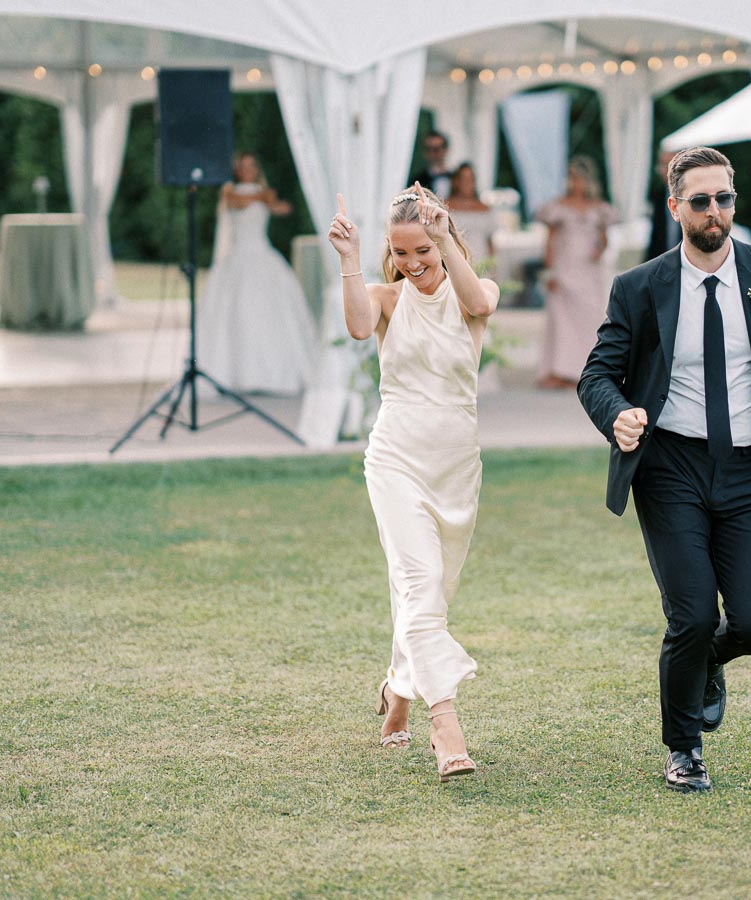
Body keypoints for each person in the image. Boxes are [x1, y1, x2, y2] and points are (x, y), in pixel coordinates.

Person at [578, 147, 751, 793]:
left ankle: (704, 665)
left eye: (724, 198)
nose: (714, 211)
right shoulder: (641, 287)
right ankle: (683, 748)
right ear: (675, 208)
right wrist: (618, 416)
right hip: (670, 467)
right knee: (689, 615)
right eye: (700, 201)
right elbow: (598, 374)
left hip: (748, 469)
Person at [326, 181, 499, 782]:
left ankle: (398, 693)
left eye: (423, 250)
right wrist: (350, 261)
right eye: (402, 254)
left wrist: (445, 233)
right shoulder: (386, 300)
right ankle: (445, 726)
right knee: (418, 581)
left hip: (456, 468)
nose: (414, 263)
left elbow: (477, 304)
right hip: (395, 459)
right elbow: (354, 327)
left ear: (444, 243)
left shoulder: (475, 294)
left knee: (430, 592)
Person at [196, 152, 315, 394]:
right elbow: (240, 203)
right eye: (242, 166)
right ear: (237, 169)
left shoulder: (263, 192)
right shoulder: (229, 191)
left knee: (269, 311)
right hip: (238, 257)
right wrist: (262, 196)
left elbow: (281, 208)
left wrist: (269, 200)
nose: (247, 169)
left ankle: (272, 375)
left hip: (262, 253)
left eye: (251, 165)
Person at [535, 156, 616, 389]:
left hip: (588, 272)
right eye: (572, 178)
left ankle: (586, 369)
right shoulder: (558, 207)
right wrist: (549, 272)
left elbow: (604, 239)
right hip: (564, 269)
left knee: (589, 321)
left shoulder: (599, 208)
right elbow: (550, 240)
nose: (575, 183)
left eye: (578, 178)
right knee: (561, 322)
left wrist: (599, 249)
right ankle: (560, 371)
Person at [446, 162, 497, 260]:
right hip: (456, 260)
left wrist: (492, 263)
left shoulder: (484, 208)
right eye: (464, 179)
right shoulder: (446, 206)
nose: (467, 183)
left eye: (470, 179)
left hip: (481, 261)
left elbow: (489, 241)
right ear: (456, 182)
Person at [644, 149, 681, 261]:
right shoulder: (657, 196)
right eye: (663, 164)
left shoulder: (693, 195)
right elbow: (655, 237)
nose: (667, 169)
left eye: (671, 164)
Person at [408, 130, 452, 199]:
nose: (432, 154)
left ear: (445, 150)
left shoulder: (456, 178)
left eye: (436, 149)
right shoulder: (417, 181)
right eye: (428, 149)